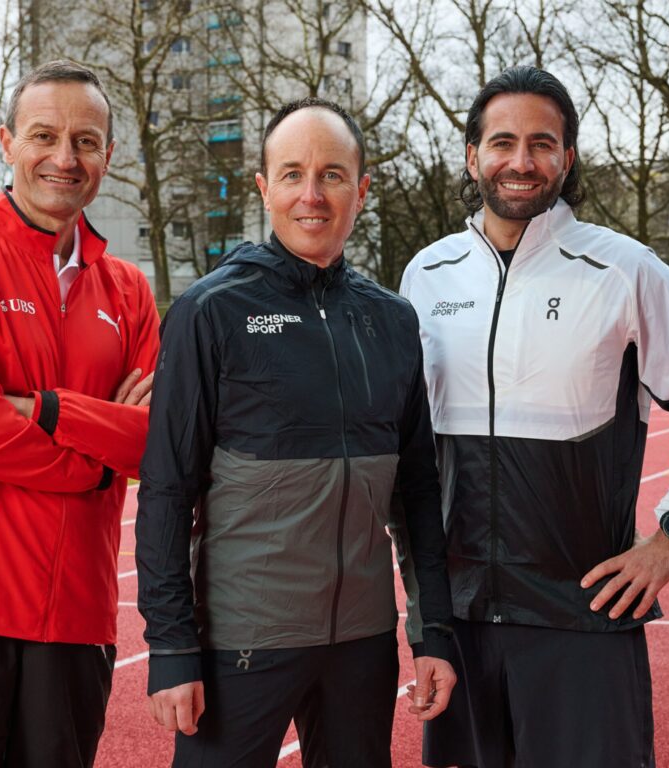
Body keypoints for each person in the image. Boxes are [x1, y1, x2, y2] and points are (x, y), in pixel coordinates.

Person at [399, 65, 669, 768]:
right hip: (459, 618)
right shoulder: (425, 275)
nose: (520, 162)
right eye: (502, 142)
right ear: (472, 157)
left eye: (541, 143)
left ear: (568, 156)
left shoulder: (625, 270)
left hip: (582, 614)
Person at [136, 97, 457, 768]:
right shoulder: (209, 312)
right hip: (242, 646)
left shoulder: (392, 321)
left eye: (332, 175)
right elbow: (166, 490)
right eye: (291, 174)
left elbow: (420, 494)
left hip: (362, 647)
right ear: (264, 188)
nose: (311, 195)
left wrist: (433, 636)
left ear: (361, 189)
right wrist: (171, 647)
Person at [0, 60, 160, 767]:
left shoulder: (130, 292)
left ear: (108, 155)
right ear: (7, 142)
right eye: (44, 135)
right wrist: (95, 465)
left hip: (75, 614)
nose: (64, 158)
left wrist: (44, 409)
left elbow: (156, 443)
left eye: (86, 141)